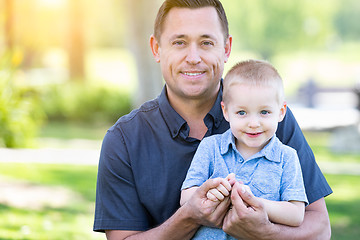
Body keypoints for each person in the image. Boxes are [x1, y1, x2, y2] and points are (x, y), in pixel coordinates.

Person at [93, 0, 332, 239]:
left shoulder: (266, 120)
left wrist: (265, 232)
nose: (193, 57)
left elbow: (320, 228)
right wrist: (189, 216)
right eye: (180, 43)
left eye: (206, 43)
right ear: (156, 49)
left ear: (226, 49)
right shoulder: (123, 140)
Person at [180, 59, 308, 239]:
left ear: (281, 112)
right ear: (226, 112)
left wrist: (255, 203)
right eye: (242, 113)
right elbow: (185, 197)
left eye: (264, 112)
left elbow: (296, 214)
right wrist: (212, 194)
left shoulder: (287, 157)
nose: (253, 123)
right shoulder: (211, 147)